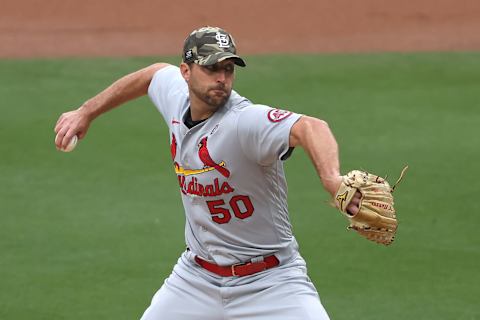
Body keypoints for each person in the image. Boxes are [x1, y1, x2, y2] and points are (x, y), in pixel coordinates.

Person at [54, 26, 360, 320]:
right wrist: (86, 111)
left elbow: (310, 127)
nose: (222, 78)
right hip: (196, 278)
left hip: (271, 282)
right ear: (185, 72)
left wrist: (332, 179)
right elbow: (151, 76)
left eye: (228, 69)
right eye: (211, 68)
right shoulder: (176, 97)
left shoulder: (244, 122)